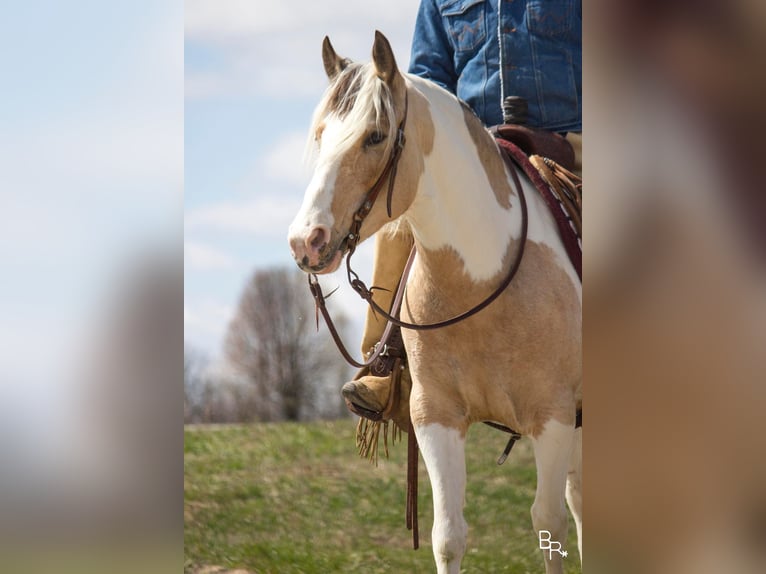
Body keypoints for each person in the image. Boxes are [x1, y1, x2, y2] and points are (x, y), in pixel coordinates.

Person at [341, 0, 582, 428]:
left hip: (570, 143)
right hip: (472, 148)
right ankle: (387, 363)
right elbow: (425, 78)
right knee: (401, 210)